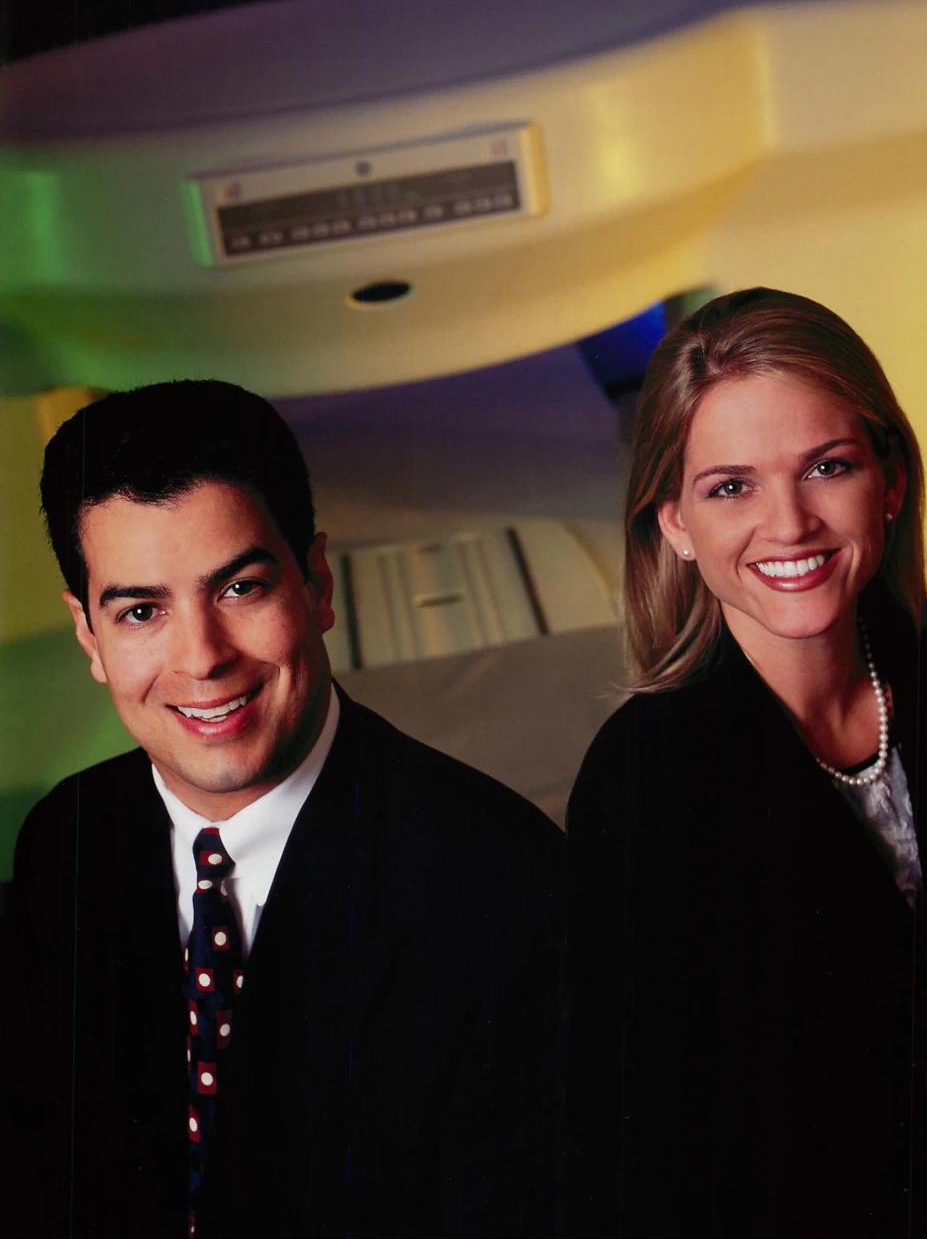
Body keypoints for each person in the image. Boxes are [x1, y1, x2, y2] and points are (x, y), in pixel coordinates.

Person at [0, 381, 564, 1239]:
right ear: (89, 637)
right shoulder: (66, 840)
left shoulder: (506, 892)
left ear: (318, 584)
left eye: (240, 589)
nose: (201, 659)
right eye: (142, 611)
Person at [567, 288, 927, 1238]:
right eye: (731, 487)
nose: (791, 522)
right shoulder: (647, 787)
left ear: (887, 480)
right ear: (675, 525)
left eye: (827, 467)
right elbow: (670, 1156)